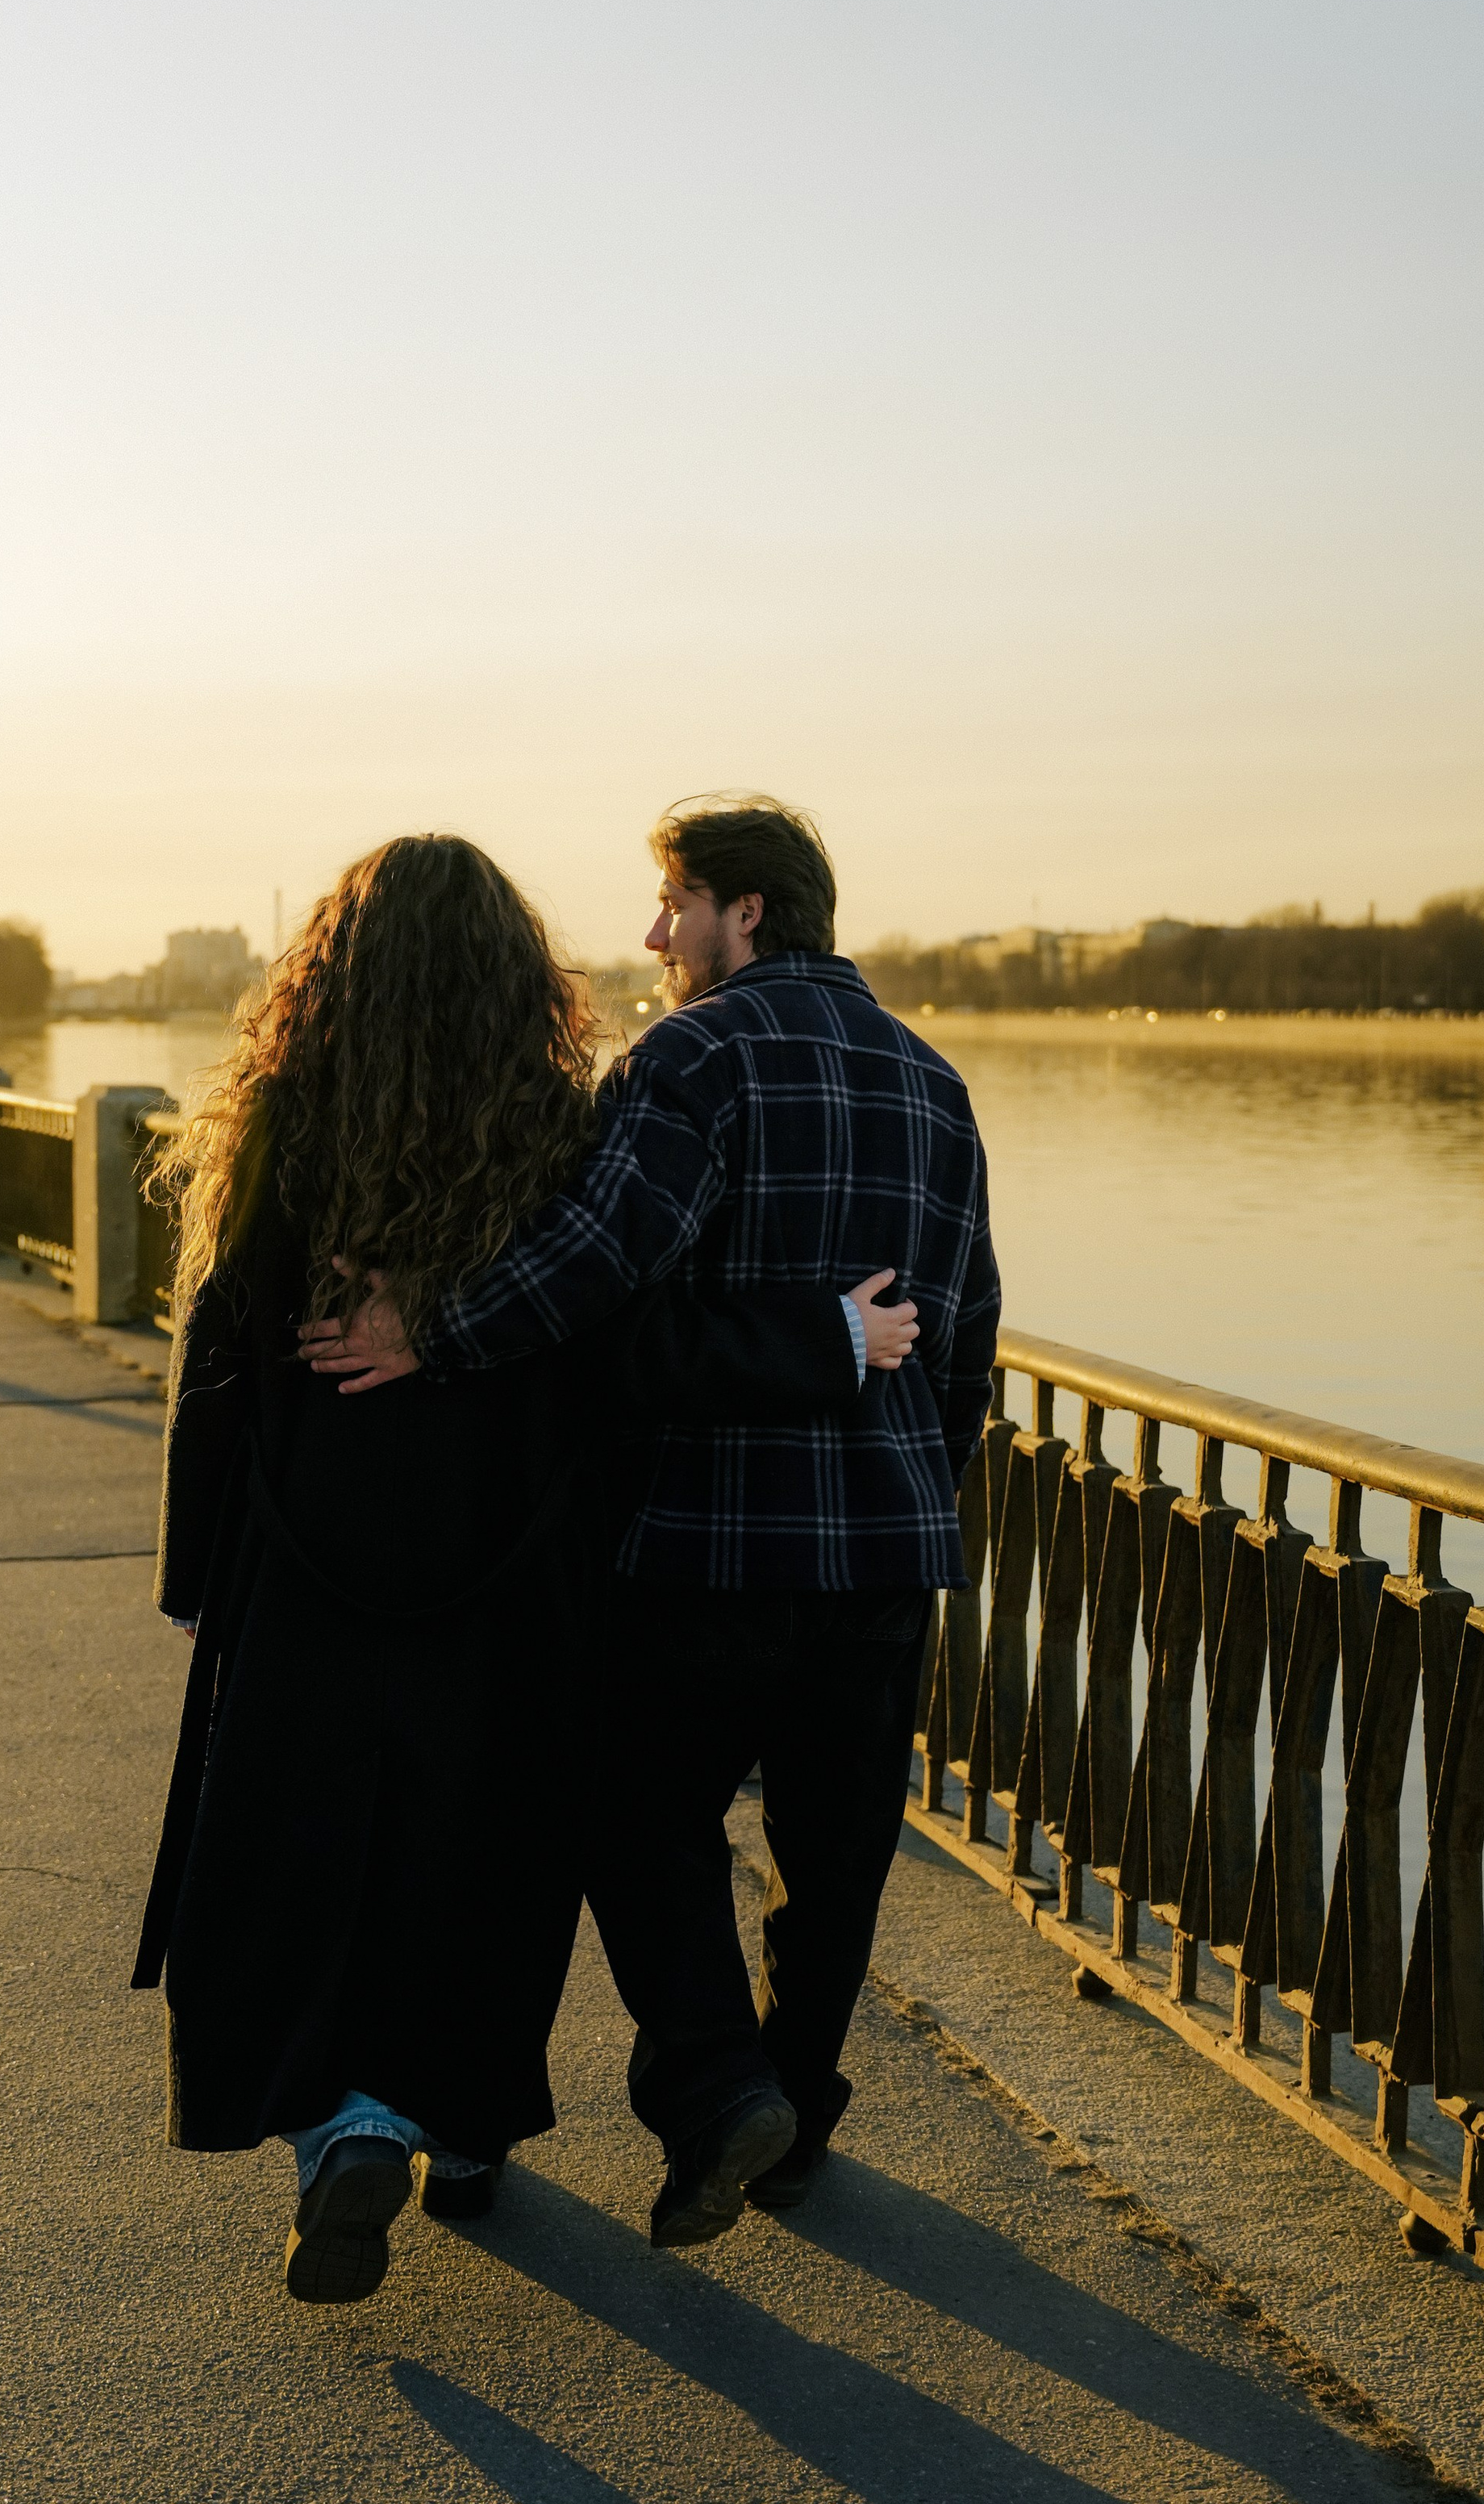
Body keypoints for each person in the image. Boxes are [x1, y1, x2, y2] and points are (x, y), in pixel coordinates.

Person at [135, 832, 919, 2304]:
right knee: (480, 1857)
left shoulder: (283, 1125)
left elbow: (220, 1357)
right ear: (516, 978)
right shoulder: (560, 1130)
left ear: (330, 974)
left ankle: (340, 2125)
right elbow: (614, 1336)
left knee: (307, 1850)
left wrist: (198, 1571)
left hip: (310, 1558)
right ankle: (456, 2127)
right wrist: (822, 1343)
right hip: (513, 1564)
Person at [301, 795, 999, 2247]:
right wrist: (917, 1491)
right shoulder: (935, 1082)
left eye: (673, 904)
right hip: (886, 1554)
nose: (654, 935)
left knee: (638, 1820)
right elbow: (966, 1334)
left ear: (747, 912)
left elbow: (596, 1264)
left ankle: (718, 2084)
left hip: (705, 1541)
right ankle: (793, 2117)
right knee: (837, 1857)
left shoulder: (692, 1059)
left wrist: (433, 1328)